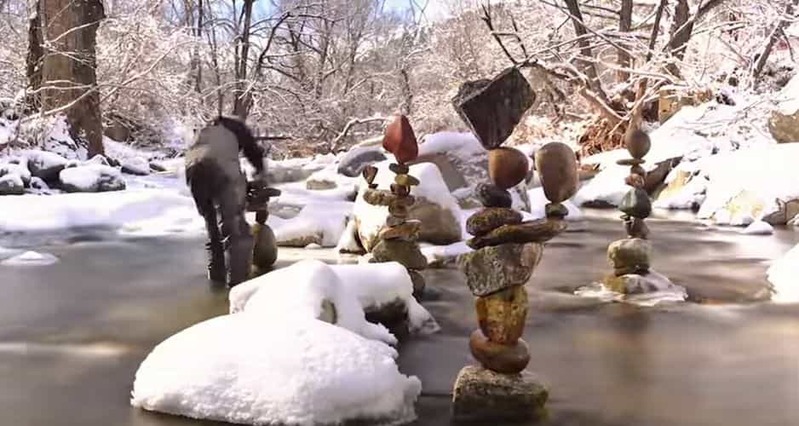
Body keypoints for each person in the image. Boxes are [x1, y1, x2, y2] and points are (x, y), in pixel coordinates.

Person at [185, 115, 266, 287]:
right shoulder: (236, 128)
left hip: (193, 172)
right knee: (235, 230)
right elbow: (253, 152)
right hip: (222, 169)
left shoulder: (204, 131)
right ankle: (239, 287)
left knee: (212, 226)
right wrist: (260, 174)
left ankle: (216, 279)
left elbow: (196, 154)